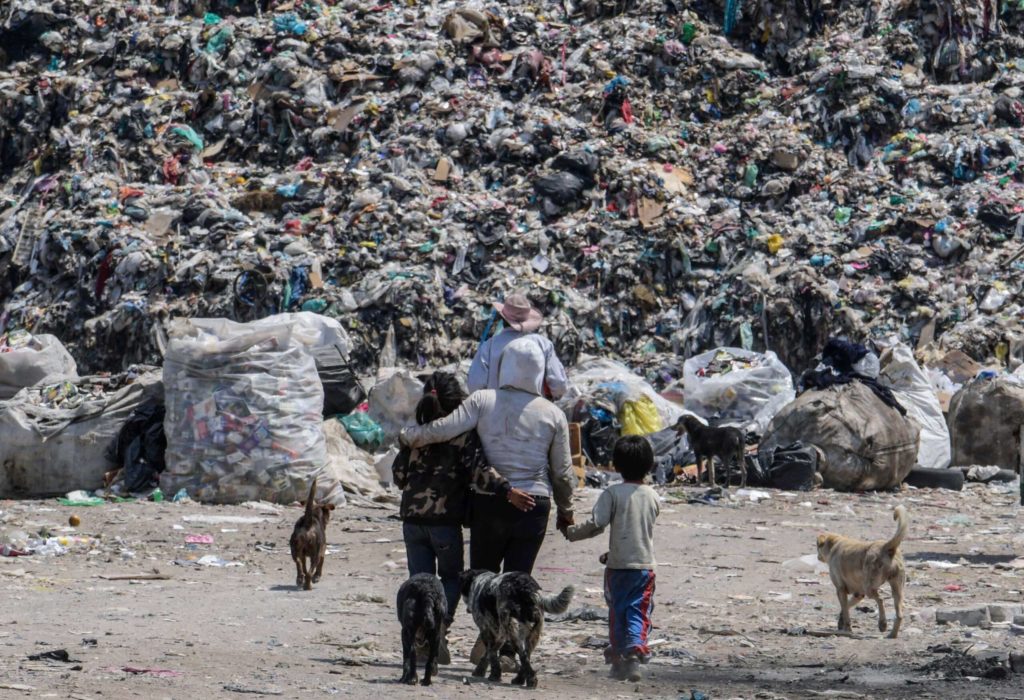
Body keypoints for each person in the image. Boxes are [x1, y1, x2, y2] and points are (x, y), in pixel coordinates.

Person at [401, 337, 575, 575]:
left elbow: (442, 430)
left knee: (482, 580)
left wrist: (408, 436)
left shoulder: (482, 400)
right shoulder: (554, 414)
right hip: (534, 505)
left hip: (490, 503)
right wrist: (566, 511)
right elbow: (563, 473)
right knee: (518, 581)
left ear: (503, 366)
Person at [391, 372, 528, 663]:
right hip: (444, 524)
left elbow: (398, 477)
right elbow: (481, 473)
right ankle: (440, 628)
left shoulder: (414, 436)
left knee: (419, 581)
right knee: (450, 579)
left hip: (412, 522)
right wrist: (508, 490)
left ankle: (421, 640)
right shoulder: (462, 438)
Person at [562, 436, 659, 682]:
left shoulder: (612, 493)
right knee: (638, 610)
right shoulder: (652, 496)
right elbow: (636, 530)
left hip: (617, 568)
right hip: (644, 568)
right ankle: (635, 652)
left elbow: (597, 524)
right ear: (649, 465)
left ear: (616, 465)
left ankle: (618, 658)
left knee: (617, 611)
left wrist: (571, 532)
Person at [467, 292, 569, 400]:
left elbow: (475, 385)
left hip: (496, 411)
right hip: (534, 411)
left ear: (502, 319)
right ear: (527, 319)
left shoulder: (489, 346)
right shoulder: (543, 344)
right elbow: (559, 385)